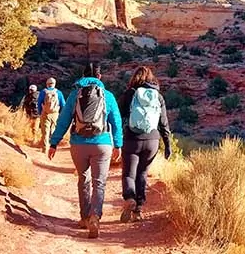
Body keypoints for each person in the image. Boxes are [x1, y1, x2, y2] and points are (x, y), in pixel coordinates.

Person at [48, 63, 122, 239]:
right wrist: (118, 145)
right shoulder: (108, 96)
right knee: (100, 182)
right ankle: (95, 217)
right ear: (100, 77)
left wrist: (54, 143)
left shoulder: (75, 94)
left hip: (78, 144)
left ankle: (84, 217)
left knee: (84, 179)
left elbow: (63, 120)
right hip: (102, 143)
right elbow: (116, 122)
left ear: (82, 76)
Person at [116, 66, 172, 223]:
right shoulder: (158, 96)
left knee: (129, 173)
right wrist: (168, 145)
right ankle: (138, 210)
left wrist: (116, 138)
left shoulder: (130, 94)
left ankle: (129, 198)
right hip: (152, 141)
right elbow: (164, 123)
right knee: (142, 173)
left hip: (132, 139)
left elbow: (118, 116)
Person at [37, 77, 65, 153]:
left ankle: (45, 149)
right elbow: (63, 104)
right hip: (55, 114)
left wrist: (40, 113)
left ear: (47, 84)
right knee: (53, 131)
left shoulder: (43, 92)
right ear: (54, 84)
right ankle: (53, 148)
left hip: (45, 113)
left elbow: (39, 103)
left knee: (45, 132)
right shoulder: (59, 93)